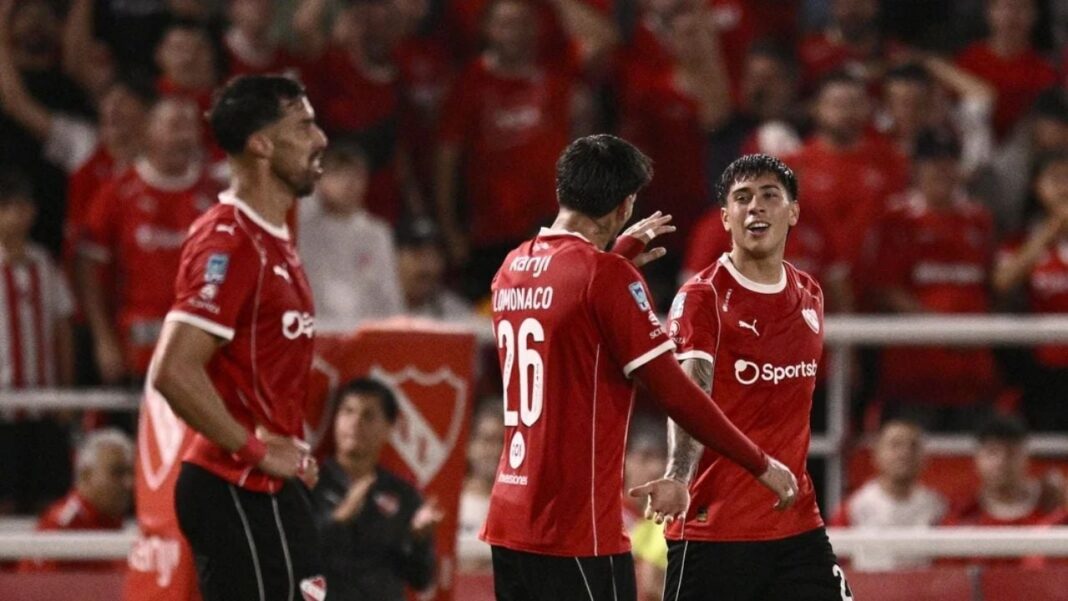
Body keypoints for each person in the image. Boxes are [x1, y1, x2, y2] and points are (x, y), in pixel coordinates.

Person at [484, 134, 798, 601]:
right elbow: (676, 391)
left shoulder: (511, 267)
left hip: (510, 518)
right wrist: (760, 463)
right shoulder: (605, 277)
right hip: (574, 527)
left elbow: (566, 313)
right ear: (625, 204)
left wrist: (615, 256)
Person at [151, 74, 329, 601]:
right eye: (304, 125)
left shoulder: (274, 237)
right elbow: (173, 371)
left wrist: (287, 447)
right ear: (261, 144)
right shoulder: (229, 240)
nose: (320, 139)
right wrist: (255, 449)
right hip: (234, 487)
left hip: (269, 486)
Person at [647, 154, 852, 600]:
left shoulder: (810, 294)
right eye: (742, 198)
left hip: (795, 524)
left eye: (768, 196)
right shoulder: (703, 297)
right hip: (715, 531)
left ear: (793, 211)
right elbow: (688, 394)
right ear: (725, 217)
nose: (754, 207)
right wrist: (679, 476)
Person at [864, 131, 1000, 430]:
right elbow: (885, 289)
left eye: (948, 162)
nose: (941, 170)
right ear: (915, 168)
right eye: (931, 163)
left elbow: (994, 283)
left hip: (972, 374)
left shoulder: (980, 219)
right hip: (915, 374)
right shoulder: (896, 218)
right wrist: (942, 330)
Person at [77, 96, 217, 384]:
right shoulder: (117, 193)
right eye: (175, 126)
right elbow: (89, 270)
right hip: (137, 344)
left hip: (201, 347)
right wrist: (103, 340)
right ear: (148, 131)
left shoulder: (216, 194)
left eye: (191, 127)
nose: (185, 136)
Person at [312, 377, 444, 600]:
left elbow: (421, 580)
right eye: (347, 412)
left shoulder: (404, 495)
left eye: (368, 415)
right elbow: (293, 556)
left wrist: (418, 540)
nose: (355, 422)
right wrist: (338, 519)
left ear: (389, 428)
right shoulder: (309, 483)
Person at [0, 170, 75, 514]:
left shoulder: (43, 263)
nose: (23, 214)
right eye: (13, 207)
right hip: (4, 403)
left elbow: (62, 328)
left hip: (43, 399)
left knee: (47, 495)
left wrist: (65, 389)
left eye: (26, 206)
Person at [992, 151, 1068, 430]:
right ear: (1038, 187)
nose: (1065, 187)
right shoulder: (1020, 240)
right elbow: (1002, 282)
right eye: (1056, 179)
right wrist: (1049, 233)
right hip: (1043, 368)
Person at [298, 142, 404, 333]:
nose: (349, 183)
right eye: (338, 175)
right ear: (320, 180)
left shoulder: (377, 233)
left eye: (356, 176)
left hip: (366, 334)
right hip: (321, 331)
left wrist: (394, 331)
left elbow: (389, 292)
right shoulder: (304, 230)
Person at [829, 419, 947, 570]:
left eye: (913, 446)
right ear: (876, 454)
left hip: (924, 590)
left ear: (924, 456)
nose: (905, 453)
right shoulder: (853, 508)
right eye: (895, 445)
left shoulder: (938, 508)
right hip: (868, 590)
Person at [17, 428, 134, 572]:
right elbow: (34, 589)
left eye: (131, 472)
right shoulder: (60, 527)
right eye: (117, 472)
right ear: (85, 475)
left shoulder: (113, 522)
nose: (130, 482)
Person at [944, 414, 1065, 530]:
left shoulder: (1056, 506)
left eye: (1011, 453)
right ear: (976, 459)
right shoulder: (961, 513)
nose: (1001, 462)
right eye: (992, 452)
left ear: (1026, 458)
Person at [395, 218, 474, 323]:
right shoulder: (374, 305)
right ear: (393, 258)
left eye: (434, 256)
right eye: (417, 255)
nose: (427, 266)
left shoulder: (456, 312)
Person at [458, 401, 504, 572]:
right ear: (469, 445)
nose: (495, 450)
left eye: (502, 441)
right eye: (487, 440)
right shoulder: (451, 501)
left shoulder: (519, 509)